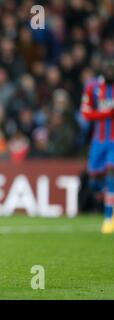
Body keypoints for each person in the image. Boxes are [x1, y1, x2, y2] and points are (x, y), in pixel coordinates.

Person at [80, 56, 114, 234]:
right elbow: (85, 113)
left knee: (111, 171)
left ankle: (109, 218)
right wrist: (106, 113)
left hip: (113, 141)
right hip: (98, 141)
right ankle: (105, 196)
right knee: (94, 180)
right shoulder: (92, 87)